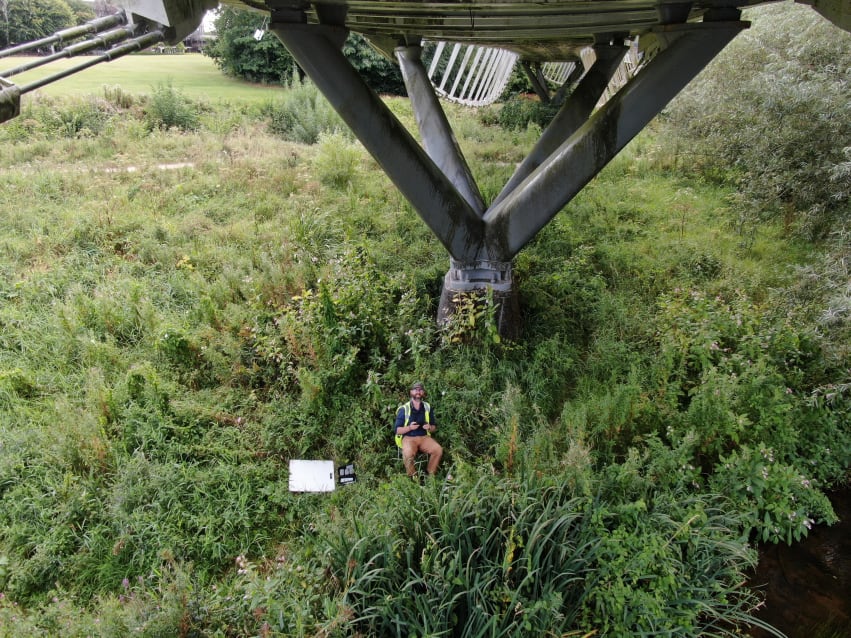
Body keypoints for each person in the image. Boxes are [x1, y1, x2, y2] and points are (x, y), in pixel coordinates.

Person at [394, 381, 443, 478]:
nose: (418, 392)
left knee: (438, 450)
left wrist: (429, 427)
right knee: (407, 454)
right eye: (415, 389)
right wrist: (410, 427)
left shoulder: (427, 407)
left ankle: (430, 475)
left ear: (423, 392)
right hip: (408, 438)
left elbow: (434, 427)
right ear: (410, 392)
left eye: (420, 390)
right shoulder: (404, 409)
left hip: (424, 437)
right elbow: (397, 430)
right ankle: (414, 478)